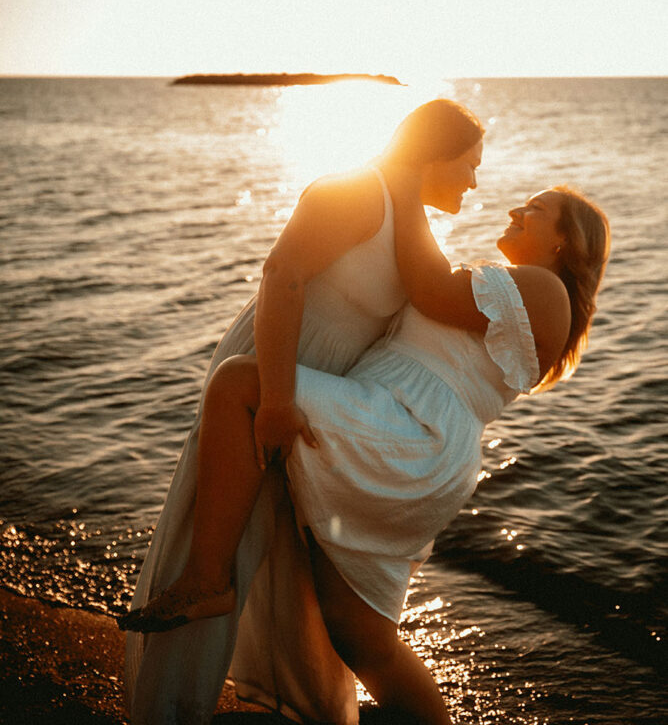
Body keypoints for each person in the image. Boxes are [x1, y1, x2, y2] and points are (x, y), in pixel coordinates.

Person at [122, 174, 610, 725]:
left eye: (537, 208)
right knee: (361, 640)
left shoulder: (545, 290)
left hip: (407, 431)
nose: (518, 208)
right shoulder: (516, 288)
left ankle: (208, 579)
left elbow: (428, 286)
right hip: (404, 431)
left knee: (240, 385)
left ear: (565, 242)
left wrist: (402, 179)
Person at [123, 99, 485, 725]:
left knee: (288, 560)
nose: (476, 181)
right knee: (214, 547)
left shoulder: (412, 220)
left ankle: (296, 705)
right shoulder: (356, 193)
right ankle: (169, 710)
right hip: (271, 377)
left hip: (314, 392)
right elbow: (281, 274)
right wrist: (280, 399)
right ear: (432, 153)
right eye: (470, 164)